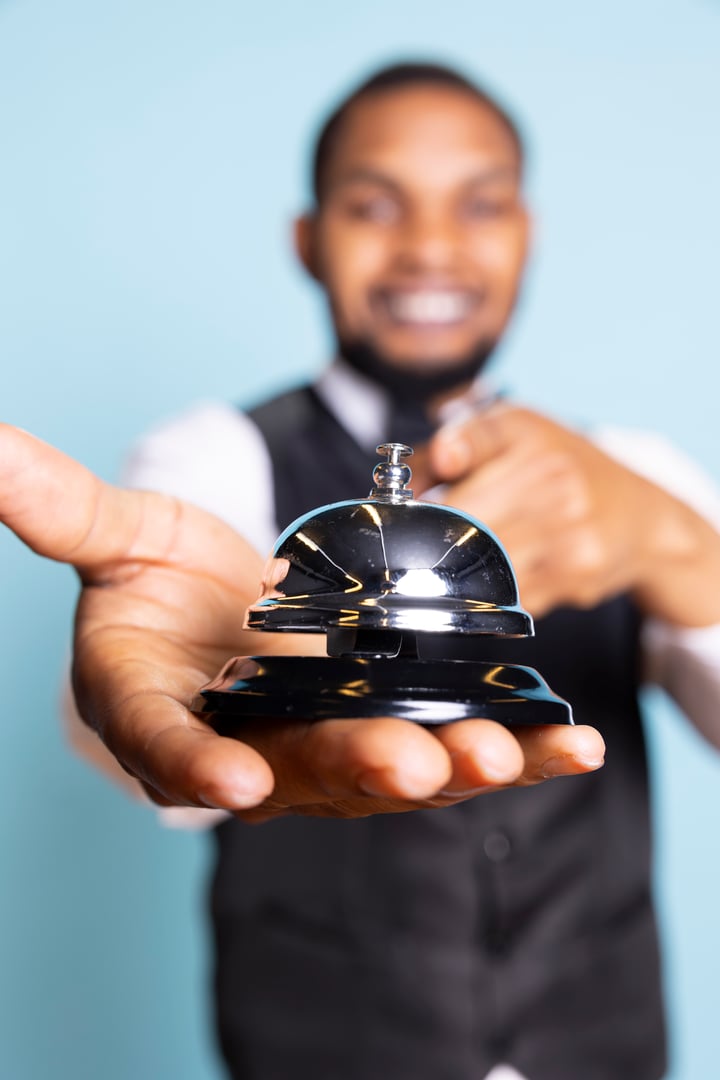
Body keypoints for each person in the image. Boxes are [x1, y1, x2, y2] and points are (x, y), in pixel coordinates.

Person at [3, 61, 720, 1080]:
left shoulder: (636, 471)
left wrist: (675, 545)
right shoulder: (213, 461)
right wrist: (184, 689)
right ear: (308, 241)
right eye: (375, 206)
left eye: (479, 205)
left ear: (528, 232)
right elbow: (138, 719)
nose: (430, 247)